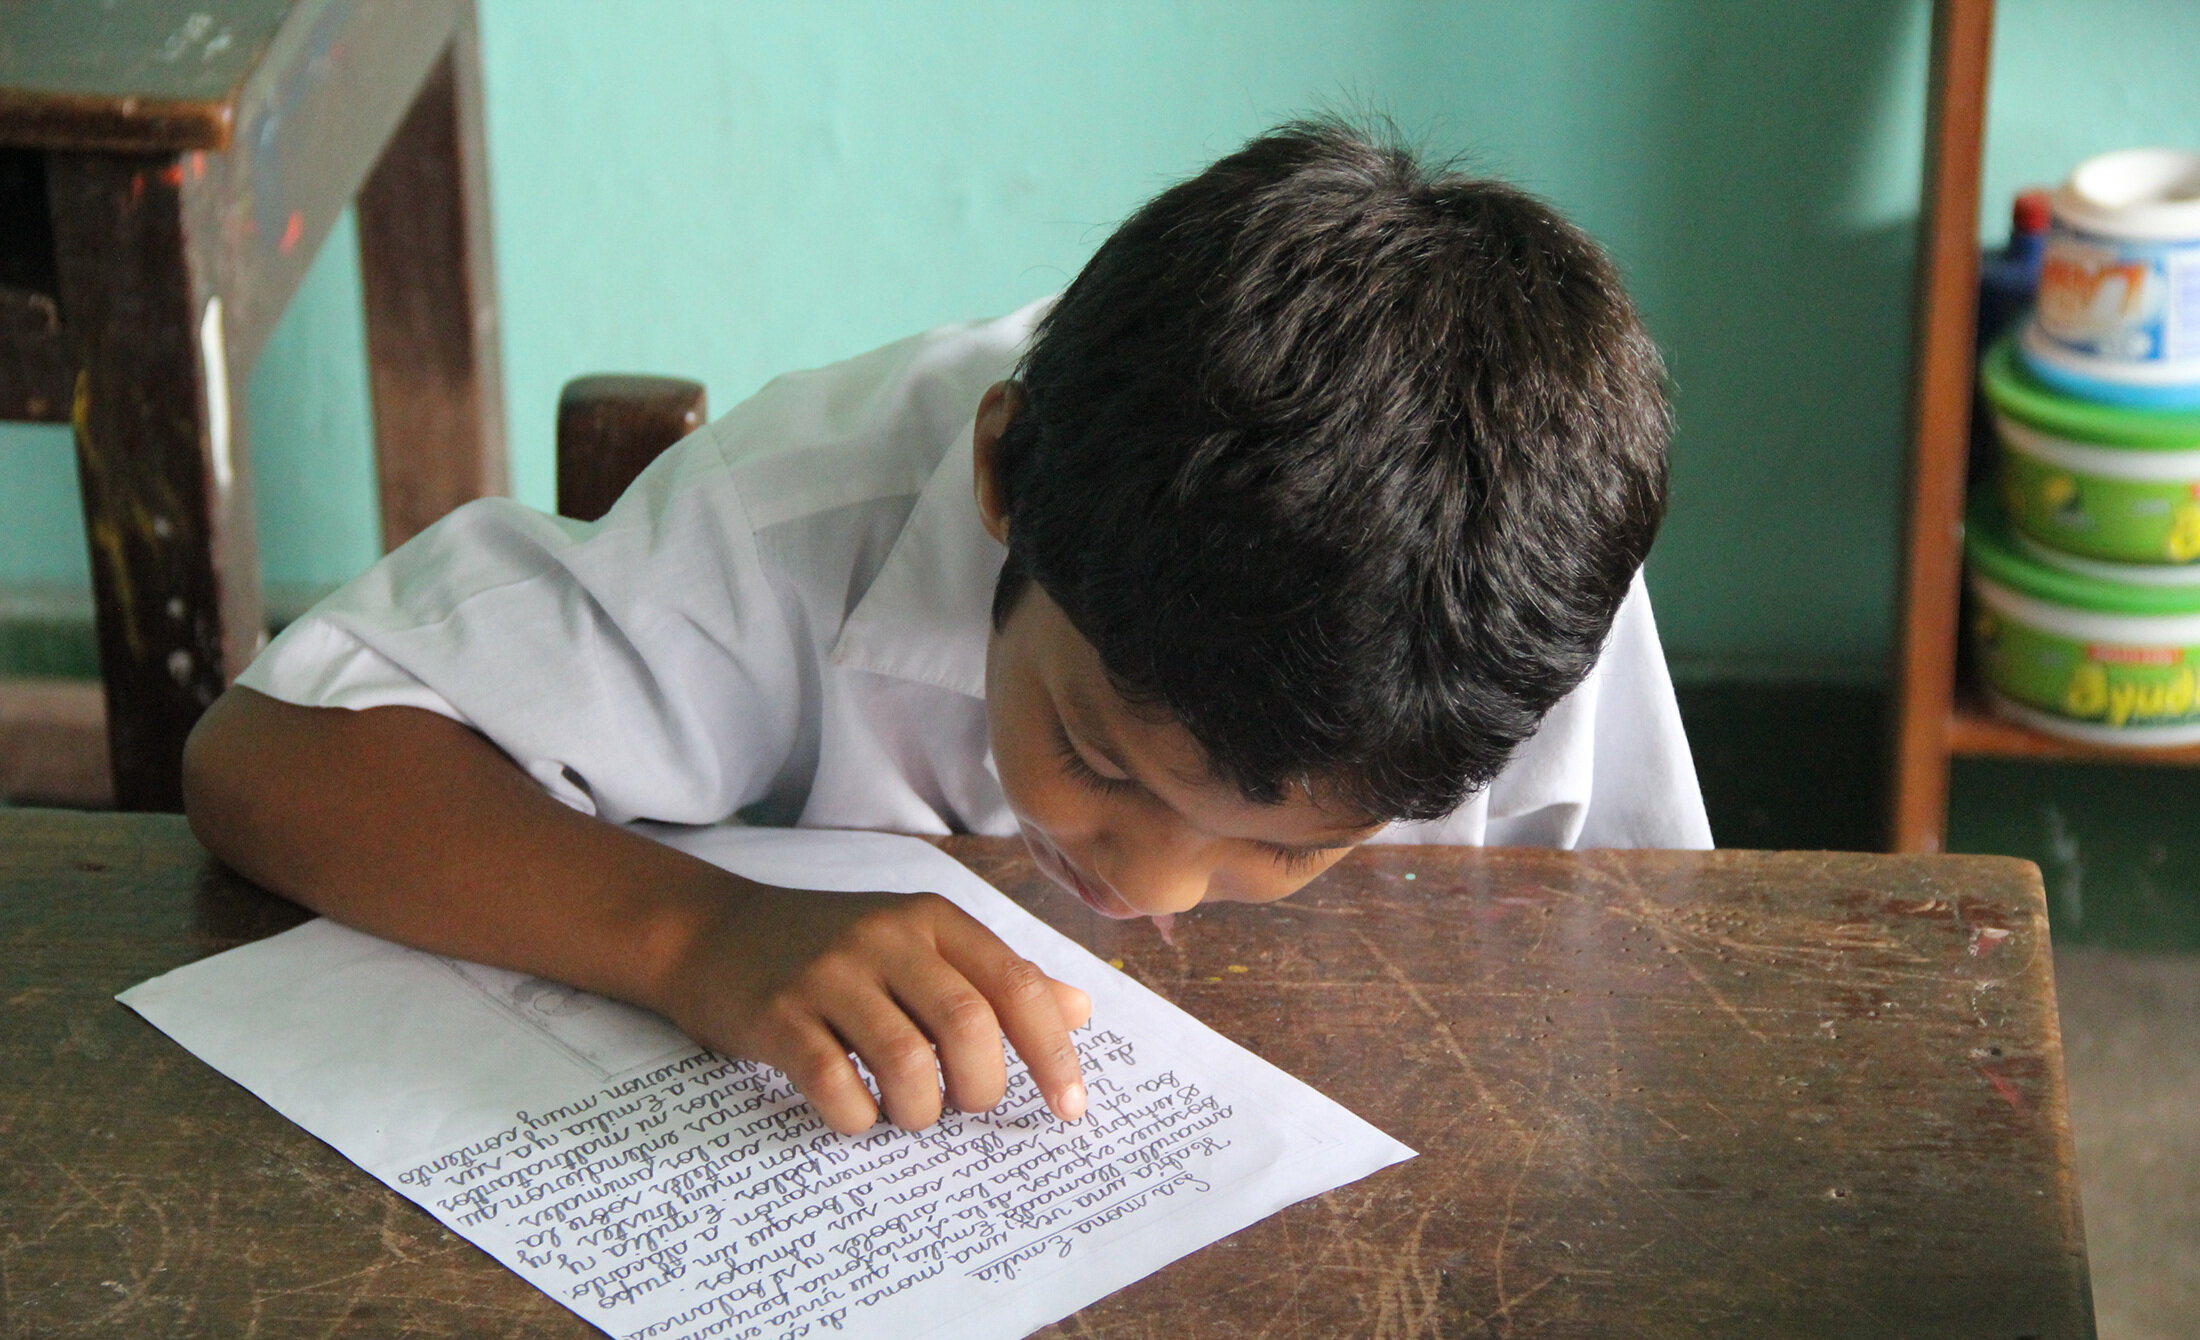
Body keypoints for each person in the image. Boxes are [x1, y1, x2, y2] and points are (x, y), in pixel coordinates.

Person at [183, 118, 1709, 1143]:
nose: (1150, 879)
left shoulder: (1501, 610)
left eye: (1290, 846)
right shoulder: (801, 515)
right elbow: (270, 757)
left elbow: (1663, 965)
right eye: (1097, 756)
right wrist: (695, 932)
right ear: (997, 472)